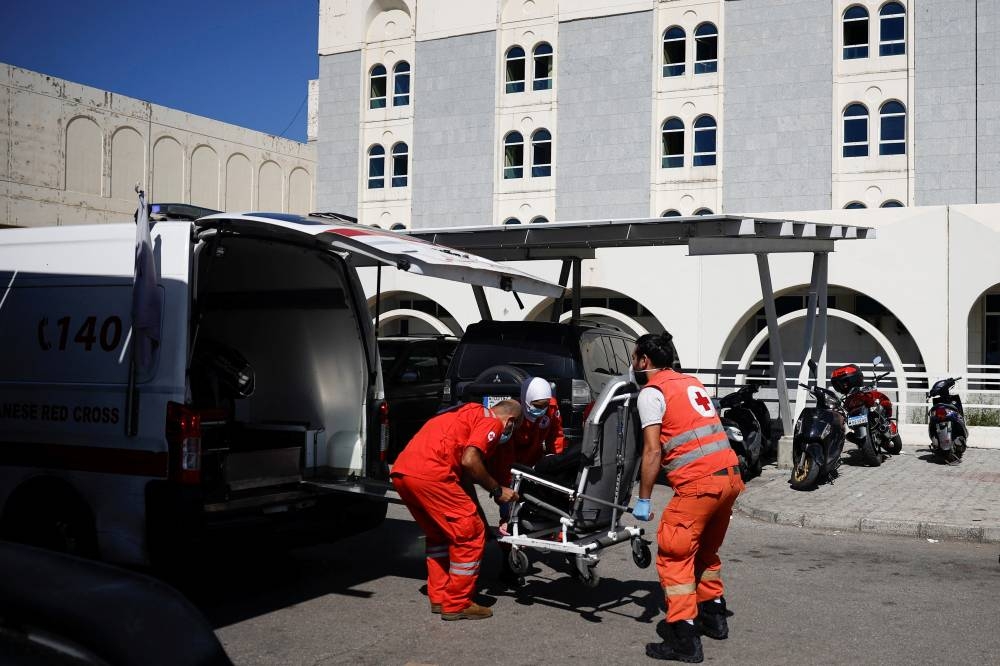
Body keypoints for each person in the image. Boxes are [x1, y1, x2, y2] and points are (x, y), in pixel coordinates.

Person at [629, 333, 744, 663]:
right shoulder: (689, 382)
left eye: (634, 357)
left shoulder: (652, 393)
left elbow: (652, 451)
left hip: (699, 484)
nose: (633, 363)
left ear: (644, 361)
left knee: (674, 556)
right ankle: (714, 618)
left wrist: (644, 499)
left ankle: (684, 639)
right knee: (706, 552)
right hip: (730, 478)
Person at [391, 400, 522, 621]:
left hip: (404, 473)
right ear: (510, 421)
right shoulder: (492, 422)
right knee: (470, 536)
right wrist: (498, 490)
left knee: (439, 535)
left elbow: (464, 480)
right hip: (433, 475)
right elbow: (470, 461)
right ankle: (457, 603)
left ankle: (440, 597)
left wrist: (479, 515)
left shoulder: (465, 414)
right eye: (513, 429)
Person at [489, 376, 566, 532]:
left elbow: (556, 438)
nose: (541, 408)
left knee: (541, 506)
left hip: (533, 462)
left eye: (544, 405)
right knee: (509, 510)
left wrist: (559, 465)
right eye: (537, 405)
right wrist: (505, 487)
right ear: (526, 399)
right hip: (510, 465)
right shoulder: (514, 416)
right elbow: (505, 455)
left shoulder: (551, 408)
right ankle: (507, 544)